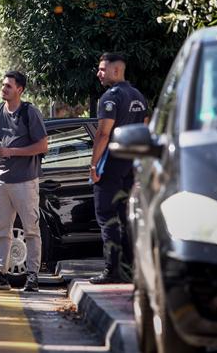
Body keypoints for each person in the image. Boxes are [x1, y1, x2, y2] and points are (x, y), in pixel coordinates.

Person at [0, 71, 48, 292]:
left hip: (25, 182)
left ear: (20, 89)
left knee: (30, 230)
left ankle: (32, 276)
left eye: (9, 86)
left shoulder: (30, 113)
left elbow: (42, 146)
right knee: (1, 230)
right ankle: (0, 275)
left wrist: (13, 151)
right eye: (3, 85)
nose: (4, 88)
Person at [89, 53, 148, 284]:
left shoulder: (110, 97)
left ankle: (112, 270)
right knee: (128, 218)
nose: (98, 73)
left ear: (116, 71)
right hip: (131, 165)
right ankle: (130, 270)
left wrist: (93, 164)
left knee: (107, 217)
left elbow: (103, 134)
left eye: (102, 69)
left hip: (111, 164)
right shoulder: (139, 96)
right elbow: (145, 131)